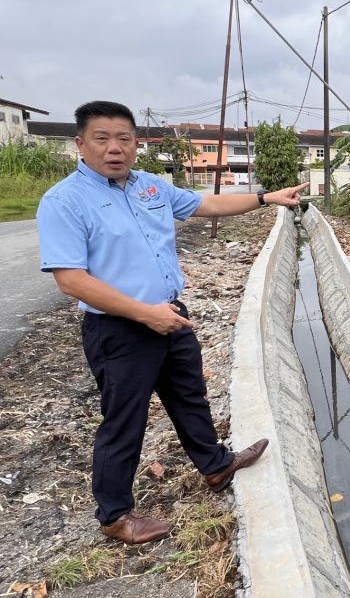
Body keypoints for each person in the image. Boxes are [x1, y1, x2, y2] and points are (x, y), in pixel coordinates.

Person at [37, 101, 307, 545]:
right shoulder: (65, 201)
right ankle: (115, 516)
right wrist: (146, 314)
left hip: (170, 314)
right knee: (124, 419)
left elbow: (207, 203)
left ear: (136, 144)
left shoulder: (150, 187)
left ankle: (217, 465)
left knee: (188, 395)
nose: (114, 148)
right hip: (121, 328)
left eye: (123, 138)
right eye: (102, 139)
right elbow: (72, 280)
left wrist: (265, 198)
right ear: (80, 145)